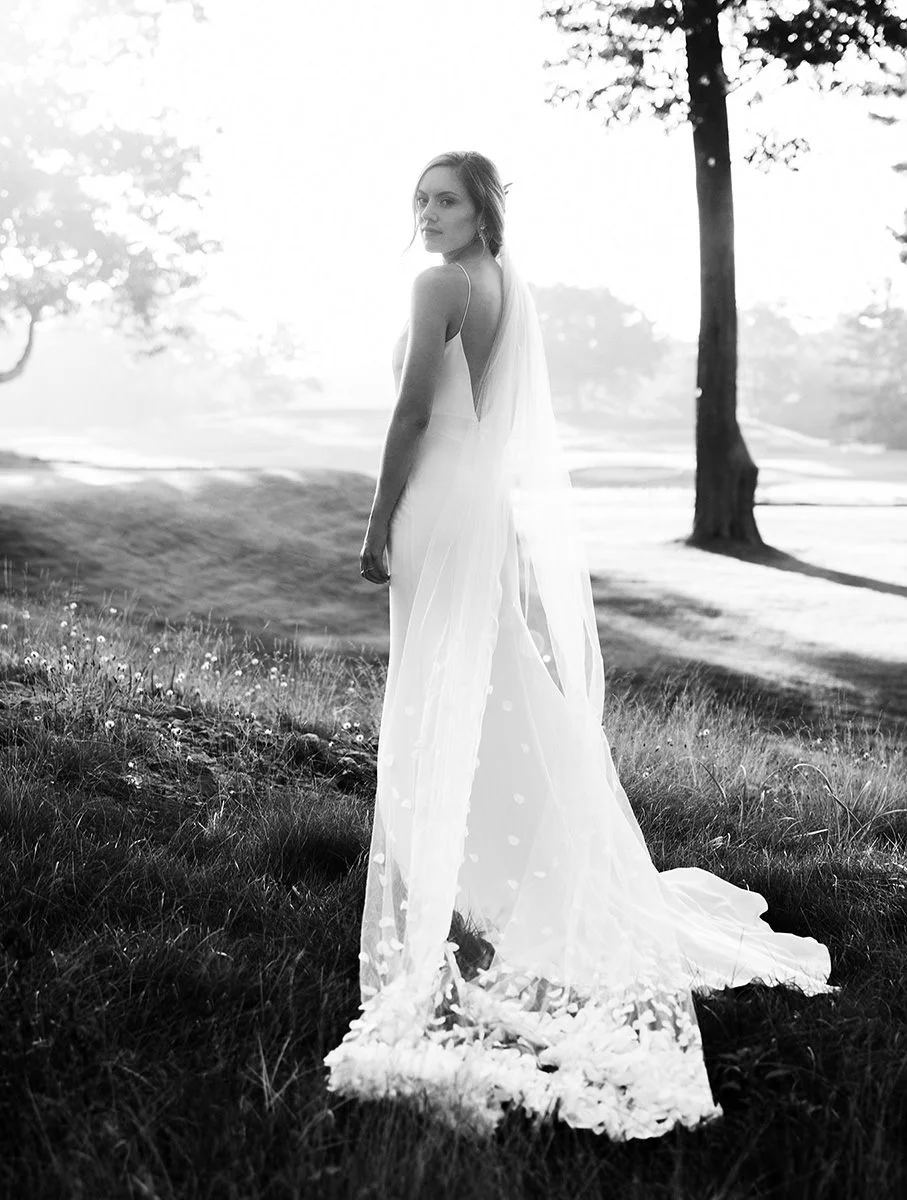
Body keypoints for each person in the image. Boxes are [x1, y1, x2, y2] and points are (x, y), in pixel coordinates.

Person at [324, 151, 836, 1139]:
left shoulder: (439, 282)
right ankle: (502, 858)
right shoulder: (503, 283)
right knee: (492, 678)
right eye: (419, 200)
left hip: (436, 501)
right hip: (480, 506)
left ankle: (471, 871)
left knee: (451, 680)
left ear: (483, 210)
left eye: (446, 200)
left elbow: (417, 410)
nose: (428, 214)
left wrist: (376, 517)